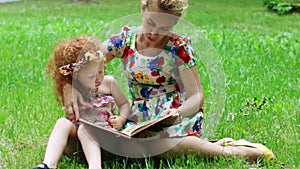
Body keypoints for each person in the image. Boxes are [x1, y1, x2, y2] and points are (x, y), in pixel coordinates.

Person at [64, 0, 275, 165]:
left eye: (165, 27)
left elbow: (197, 96)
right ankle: (208, 146)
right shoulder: (124, 40)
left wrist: (178, 112)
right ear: (143, 8)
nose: (156, 33)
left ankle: (231, 152)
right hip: (140, 120)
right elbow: (85, 65)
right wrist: (68, 88)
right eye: (151, 23)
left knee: (164, 149)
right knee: (85, 144)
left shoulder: (177, 48)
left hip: (172, 119)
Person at [33, 35, 130, 169]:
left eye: (101, 71)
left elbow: (124, 104)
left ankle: (95, 166)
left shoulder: (109, 83)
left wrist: (121, 118)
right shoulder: (74, 90)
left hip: (106, 143)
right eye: (91, 76)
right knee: (62, 123)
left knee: (86, 128)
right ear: (76, 75)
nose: (98, 78)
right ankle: (48, 165)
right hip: (78, 147)